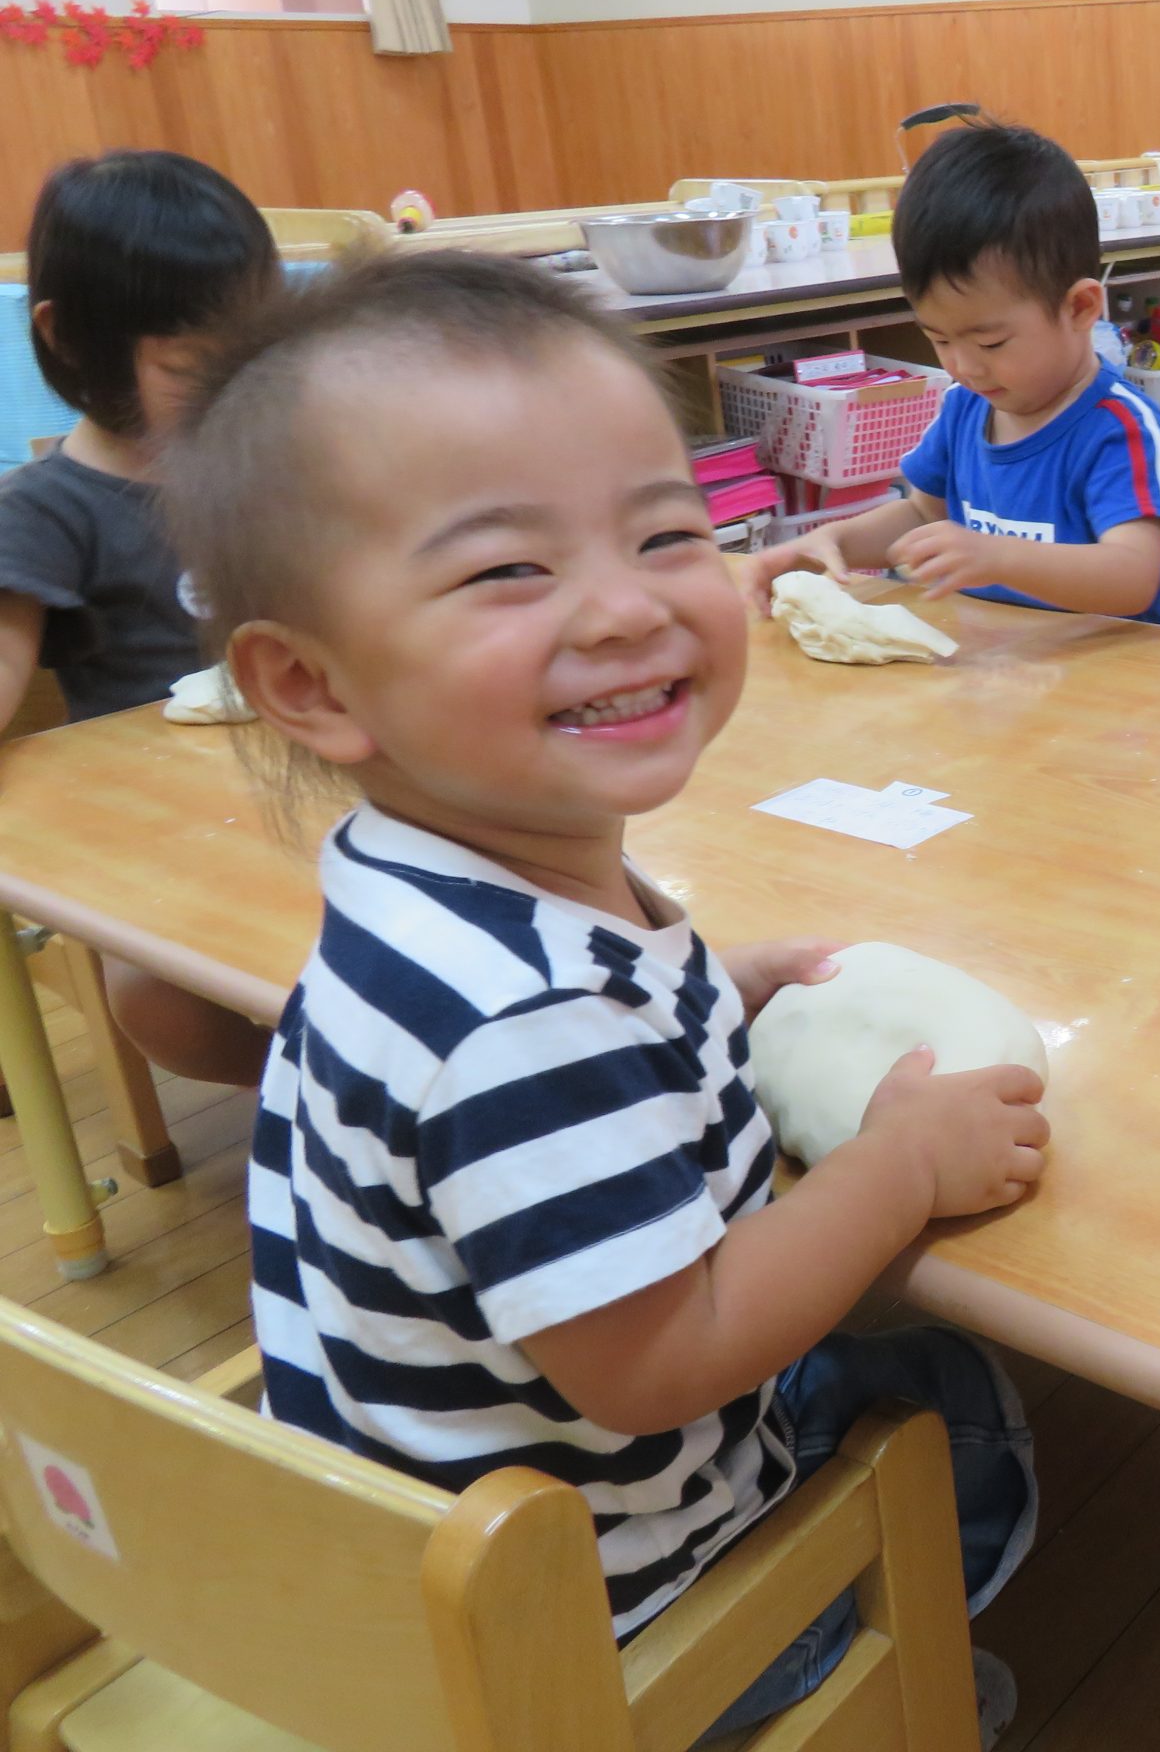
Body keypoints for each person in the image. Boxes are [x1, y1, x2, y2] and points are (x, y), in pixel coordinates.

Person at [163, 253, 1050, 1745]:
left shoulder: (428, 876)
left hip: (416, 1511)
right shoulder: (519, 1023)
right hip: (595, 1615)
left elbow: (577, 1046)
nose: (627, 607)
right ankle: (853, 1679)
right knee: (963, 1407)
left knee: (915, 1362)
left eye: (667, 530)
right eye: (511, 568)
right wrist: (898, 1168)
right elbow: (664, 1360)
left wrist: (716, 983)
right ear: (312, 685)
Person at [0, 149, 280, 1089]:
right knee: (154, 999)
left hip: (323, 772)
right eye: (196, 368)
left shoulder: (278, 466)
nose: (234, 395)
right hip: (158, 826)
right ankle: (318, 1082)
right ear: (72, 340)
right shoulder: (44, 509)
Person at [745, 121, 1160, 622]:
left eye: (990, 342)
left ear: (1081, 308)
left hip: (1115, 682)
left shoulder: (1120, 428)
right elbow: (921, 515)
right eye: (939, 339)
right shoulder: (965, 409)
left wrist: (999, 556)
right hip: (995, 673)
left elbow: (1133, 578)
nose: (962, 366)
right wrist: (830, 542)